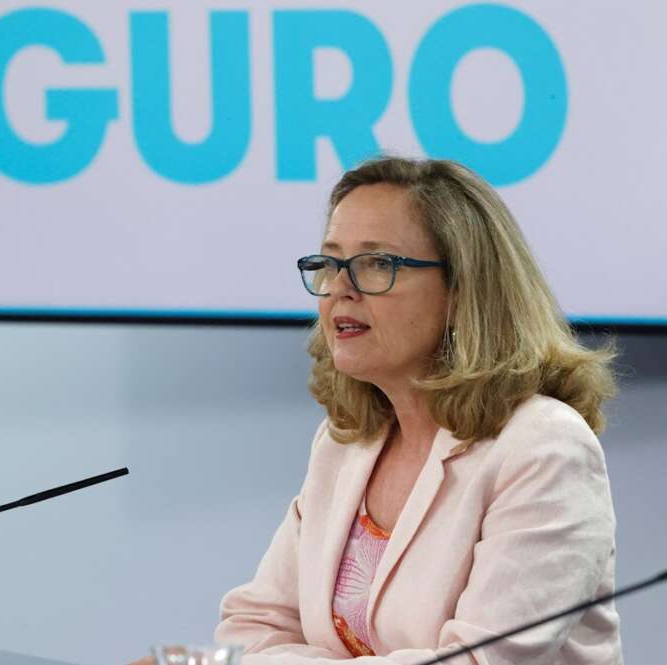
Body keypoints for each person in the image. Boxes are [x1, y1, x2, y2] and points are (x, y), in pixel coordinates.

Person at [129, 157, 620, 664]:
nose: (341, 288)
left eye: (376, 264)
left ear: (462, 290)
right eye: (329, 264)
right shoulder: (346, 442)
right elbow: (255, 627)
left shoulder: (544, 449)